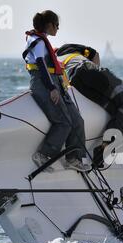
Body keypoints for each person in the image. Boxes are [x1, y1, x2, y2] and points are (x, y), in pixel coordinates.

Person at [23, 10, 90, 172]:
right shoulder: (37, 42)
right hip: (44, 84)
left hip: (56, 83)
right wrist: (52, 88)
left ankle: (73, 158)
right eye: (57, 25)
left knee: (78, 121)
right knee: (63, 122)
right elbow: (41, 64)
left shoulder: (42, 40)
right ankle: (43, 154)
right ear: (49, 25)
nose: (58, 29)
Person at [56, 44, 123, 168]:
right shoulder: (66, 48)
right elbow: (95, 54)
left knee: (118, 107)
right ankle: (112, 143)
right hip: (87, 70)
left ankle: (105, 148)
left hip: (76, 82)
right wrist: (101, 76)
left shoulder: (54, 58)